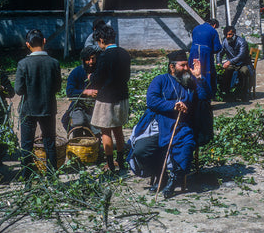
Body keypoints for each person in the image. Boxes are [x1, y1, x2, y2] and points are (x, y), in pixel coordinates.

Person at [127, 50, 209, 198]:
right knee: (141, 150)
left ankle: (174, 179)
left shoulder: (190, 82)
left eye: (187, 65)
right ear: (172, 67)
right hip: (158, 125)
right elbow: (151, 101)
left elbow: (204, 97)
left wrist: (199, 78)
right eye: (182, 65)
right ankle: (160, 172)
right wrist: (173, 105)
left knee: (187, 145)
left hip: (181, 125)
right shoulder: (160, 80)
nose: (186, 68)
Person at [15, 29, 62, 180]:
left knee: (27, 145)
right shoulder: (54, 63)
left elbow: (19, 90)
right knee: (50, 143)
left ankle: (27, 179)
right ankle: (52, 178)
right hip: (48, 108)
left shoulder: (23, 64)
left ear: (27, 44)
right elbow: (57, 88)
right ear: (44, 41)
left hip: (28, 109)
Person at [90, 25, 130, 173]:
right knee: (118, 130)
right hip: (122, 95)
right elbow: (127, 77)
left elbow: (98, 79)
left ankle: (110, 164)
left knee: (105, 131)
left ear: (101, 40)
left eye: (98, 43)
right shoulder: (125, 53)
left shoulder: (104, 56)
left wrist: (91, 78)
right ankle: (120, 160)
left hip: (106, 98)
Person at [61, 46, 100, 137]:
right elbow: (70, 92)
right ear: (82, 60)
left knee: (95, 131)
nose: (90, 62)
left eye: (93, 59)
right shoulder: (76, 72)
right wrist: (85, 92)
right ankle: (77, 141)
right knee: (78, 122)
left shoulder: (99, 72)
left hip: (96, 107)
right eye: (87, 59)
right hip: (78, 106)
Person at [217, 26, 253, 100]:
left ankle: (244, 92)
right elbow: (220, 53)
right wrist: (218, 62)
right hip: (232, 64)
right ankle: (227, 92)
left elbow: (241, 55)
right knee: (225, 72)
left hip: (243, 63)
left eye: (230, 34)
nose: (228, 36)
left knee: (244, 71)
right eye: (226, 35)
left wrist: (230, 61)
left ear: (234, 33)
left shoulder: (241, 42)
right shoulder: (225, 41)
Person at [188, 18, 222, 98]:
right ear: (214, 25)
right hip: (205, 54)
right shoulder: (213, 31)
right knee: (206, 74)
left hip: (193, 52)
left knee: (193, 72)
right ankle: (206, 97)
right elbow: (217, 48)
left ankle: (191, 96)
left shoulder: (196, 28)